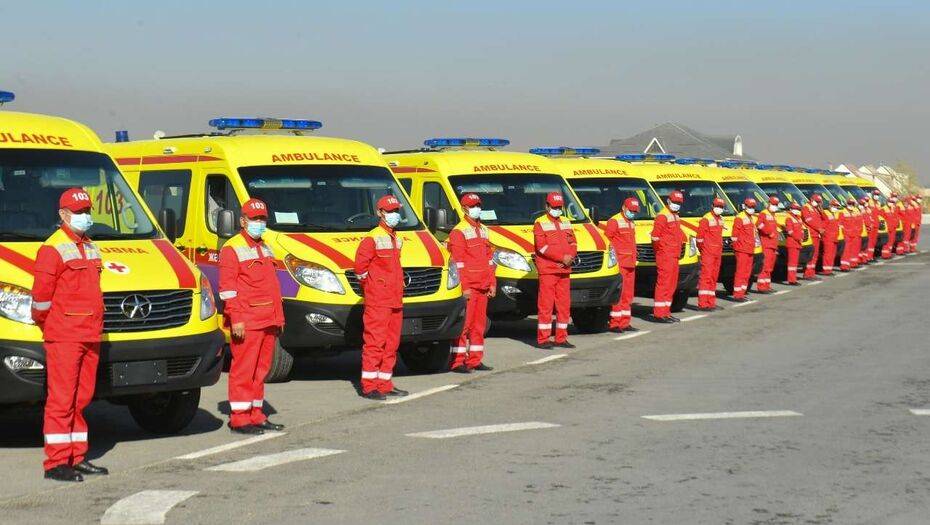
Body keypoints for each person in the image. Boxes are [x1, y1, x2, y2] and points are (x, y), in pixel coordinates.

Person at [31, 188, 107, 482]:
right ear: (63, 215)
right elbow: (41, 299)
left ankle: (77, 456)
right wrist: (50, 325)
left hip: (90, 333)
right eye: (79, 212)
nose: (85, 216)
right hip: (64, 335)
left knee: (81, 399)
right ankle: (56, 462)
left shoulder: (91, 247)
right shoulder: (52, 248)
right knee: (62, 400)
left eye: (87, 211)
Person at [219, 198, 285, 433]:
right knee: (244, 371)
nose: (259, 222)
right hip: (248, 321)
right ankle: (239, 418)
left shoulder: (265, 246)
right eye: (254, 218)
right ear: (243, 221)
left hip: (268, 319)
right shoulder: (232, 248)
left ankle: (256, 414)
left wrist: (279, 318)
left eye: (262, 218)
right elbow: (228, 290)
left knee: (261, 370)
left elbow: (272, 286)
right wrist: (236, 319)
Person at [354, 195, 409, 399]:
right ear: (380, 213)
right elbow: (360, 269)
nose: (395, 214)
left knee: (391, 344)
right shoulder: (372, 238)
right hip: (379, 300)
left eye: (396, 211)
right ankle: (369, 386)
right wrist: (373, 288)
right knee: (375, 343)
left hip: (395, 298)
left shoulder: (397, 237)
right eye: (390, 211)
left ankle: (385, 383)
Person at [447, 193, 496, 372]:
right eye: (473, 205)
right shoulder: (459, 231)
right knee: (464, 326)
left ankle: (475, 360)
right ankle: (458, 361)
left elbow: (490, 259)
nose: (477, 208)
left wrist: (492, 283)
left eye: (478, 205)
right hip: (469, 287)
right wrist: (464, 287)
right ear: (464, 208)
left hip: (483, 285)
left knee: (479, 325)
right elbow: (458, 263)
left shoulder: (484, 230)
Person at [533, 192, 577, 348]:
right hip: (548, 270)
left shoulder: (566, 221)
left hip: (564, 270)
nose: (557, 210)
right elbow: (542, 247)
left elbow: (573, 242)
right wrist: (561, 258)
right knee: (546, 305)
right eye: (554, 207)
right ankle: (543, 339)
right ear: (547, 206)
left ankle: (561, 338)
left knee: (564, 306)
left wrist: (570, 256)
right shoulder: (540, 223)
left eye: (559, 207)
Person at [605, 197, 639, 332]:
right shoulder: (614, 221)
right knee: (619, 295)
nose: (633, 213)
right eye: (631, 210)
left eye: (635, 211)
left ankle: (625, 322)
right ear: (624, 207)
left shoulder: (631, 222)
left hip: (630, 263)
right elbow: (608, 241)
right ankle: (615, 323)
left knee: (628, 295)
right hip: (620, 264)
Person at [650, 190, 685, 322]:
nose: (677, 205)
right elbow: (655, 237)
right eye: (675, 202)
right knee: (664, 284)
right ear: (668, 201)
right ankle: (659, 314)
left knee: (671, 284)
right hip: (665, 255)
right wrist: (662, 251)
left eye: (679, 203)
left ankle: (666, 312)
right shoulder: (662, 216)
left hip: (674, 254)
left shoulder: (675, 215)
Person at [696, 196, 726, 310]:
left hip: (717, 253)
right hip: (708, 253)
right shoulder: (706, 219)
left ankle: (711, 302)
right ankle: (703, 303)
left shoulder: (721, 219)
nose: (719, 208)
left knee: (714, 278)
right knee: (706, 277)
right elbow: (699, 239)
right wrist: (704, 250)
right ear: (712, 206)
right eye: (717, 206)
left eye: (721, 206)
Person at [730, 197, 757, 301]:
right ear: (745, 206)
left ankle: (742, 292)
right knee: (741, 272)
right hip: (742, 250)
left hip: (750, 249)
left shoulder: (751, 218)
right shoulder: (740, 217)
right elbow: (734, 236)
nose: (752, 209)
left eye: (753, 207)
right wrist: (737, 248)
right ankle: (737, 294)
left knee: (747, 273)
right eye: (750, 207)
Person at [755, 196, 780, 293]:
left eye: (776, 204)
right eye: (773, 204)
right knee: (765, 266)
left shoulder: (773, 214)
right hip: (766, 244)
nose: (775, 206)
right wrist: (768, 232)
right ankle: (761, 287)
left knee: (769, 267)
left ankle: (767, 285)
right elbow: (759, 225)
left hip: (773, 245)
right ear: (769, 203)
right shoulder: (764, 213)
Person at [801, 193, 825, 278]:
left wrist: (821, 209)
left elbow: (824, 219)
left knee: (815, 255)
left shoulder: (816, 209)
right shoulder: (806, 207)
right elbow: (809, 220)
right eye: (817, 201)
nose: (818, 203)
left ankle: (811, 273)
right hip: (811, 235)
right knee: (811, 255)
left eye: (819, 202)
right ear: (811, 199)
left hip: (817, 234)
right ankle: (807, 273)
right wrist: (819, 229)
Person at [783, 201, 805, 285]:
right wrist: (798, 238)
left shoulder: (798, 218)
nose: (797, 210)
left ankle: (793, 278)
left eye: (798, 209)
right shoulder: (789, 218)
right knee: (792, 263)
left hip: (798, 243)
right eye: (795, 209)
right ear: (791, 209)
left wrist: (802, 237)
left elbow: (801, 229)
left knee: (795, 263)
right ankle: (791, 280)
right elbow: (790, 231)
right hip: (792, 243)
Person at [821, 199, 841, 274]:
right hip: (828, 237)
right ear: (830, 205)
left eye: (836, 206)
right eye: (834, 205)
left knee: (832, 254)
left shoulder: (837, 213)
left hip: (835, 236)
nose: (836, 207)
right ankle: (826, 270)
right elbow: (823, 225)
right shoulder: (825, 213)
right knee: (828, 254)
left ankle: (829, 269)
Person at [838, 198, 858, 271]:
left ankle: (851, 264)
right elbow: (840, 224)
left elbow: (857, 222)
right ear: (847, 204)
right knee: (846, 251)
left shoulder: (855, 212)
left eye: (852, 204)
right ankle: (844, 266)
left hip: (854, 234)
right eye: (849, 204)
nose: (851, 205)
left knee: (852, 250)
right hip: (846, 235)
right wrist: (845, 231)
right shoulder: (842, 212)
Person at [881, 193, 900, 259]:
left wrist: (896, 224)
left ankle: (888, 253)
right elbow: (881, 218)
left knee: (891, 241)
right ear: (887, 202)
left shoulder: (893, 209)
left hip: (893, 227)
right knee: (886, 242)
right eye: (890, 202)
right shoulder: (884, 209)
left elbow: (896, 217)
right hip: (887, 228)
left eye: (892, 202)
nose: (891, 203)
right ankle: (885, 255)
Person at [867, 191, 882, 261]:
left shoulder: (878, 203)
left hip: (876, 224)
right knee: (869, 242)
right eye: (875, 194)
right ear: (872, 195)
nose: (876, 196)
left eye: (878, 195)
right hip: (871, 225)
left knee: (873, 242)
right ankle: (868, 257)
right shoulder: (869, 202)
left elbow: (879, 214)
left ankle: (871, 256)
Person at [858, 198, 873, 264]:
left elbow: (869, 219)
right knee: (860, 246)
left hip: (866, 230)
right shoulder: (858, 211)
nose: (862, 205)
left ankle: (864, 259)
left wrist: (869, 226)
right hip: (860, 231)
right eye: (861, 204)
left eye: (863, 204)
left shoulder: (867, 210)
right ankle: (860, 260)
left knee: (865, 246)